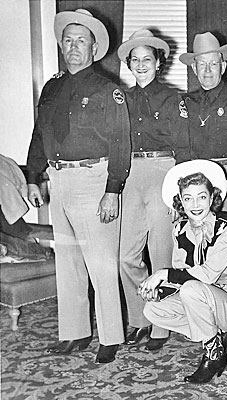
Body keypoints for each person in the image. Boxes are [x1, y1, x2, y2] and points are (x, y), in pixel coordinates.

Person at [26, 9, 131, 363]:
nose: (73, 47)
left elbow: (121, 142)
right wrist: (32, 177)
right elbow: (39, 135)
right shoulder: (52, 86)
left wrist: (113, 190)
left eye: (80, 40)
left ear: (94, 46)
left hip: (93, 180)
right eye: (68, 40)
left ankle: (111, 336)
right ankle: (74, 332)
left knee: (101, 263)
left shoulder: (107, 89)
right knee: (69, 260)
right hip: (58, 179)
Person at [140, 160, 227, 384]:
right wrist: (160, 291)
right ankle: (218, 337)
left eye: (202, 197)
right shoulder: (179, 229)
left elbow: (207, 275)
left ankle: (213, 355)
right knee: (153, 310)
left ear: (212, 198)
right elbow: (182, 273)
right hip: (204, 300)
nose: (195, 204)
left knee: (193, 289)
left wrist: (163, 274)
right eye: (188, 198)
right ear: (180, 202)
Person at [117, 29, 190, 351]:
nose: (142, 64)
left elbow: (185, 148)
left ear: (159, 63)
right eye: (136, 60)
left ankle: (160, 323)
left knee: (162, 253)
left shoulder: (174, 99)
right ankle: (139, 318)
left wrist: (179, 191)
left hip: (164, 171)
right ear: (129, 65)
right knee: (125, 256)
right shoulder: (120, 100)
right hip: (131, 174)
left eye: (148, 59)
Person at [179, 32, 227, 246]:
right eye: (202, 64)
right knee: (201, 243)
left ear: (223, 67)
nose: (207, 71)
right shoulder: (185, 102)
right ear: (193, 68)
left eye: (213, 64)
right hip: (197, 181)